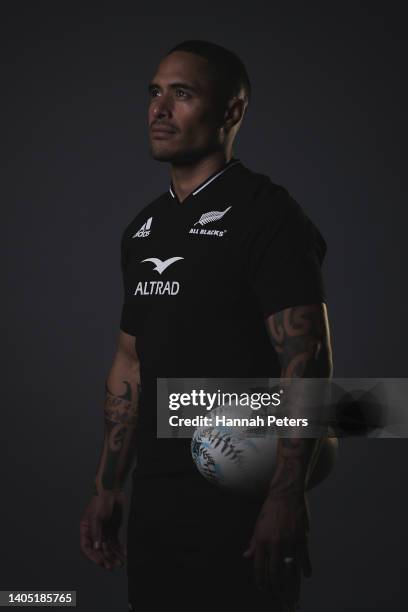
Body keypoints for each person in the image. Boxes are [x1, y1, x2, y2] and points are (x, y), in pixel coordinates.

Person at [80, 40, 337, 610]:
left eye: (183, 94)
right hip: (156, 504)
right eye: (154, 92)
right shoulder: (141, 231)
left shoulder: (268, 214)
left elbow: (307, 358)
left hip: (241, 506)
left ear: (232, 112)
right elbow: (131, 360)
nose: (159, 109)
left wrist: (286, 496)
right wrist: (108, 486)